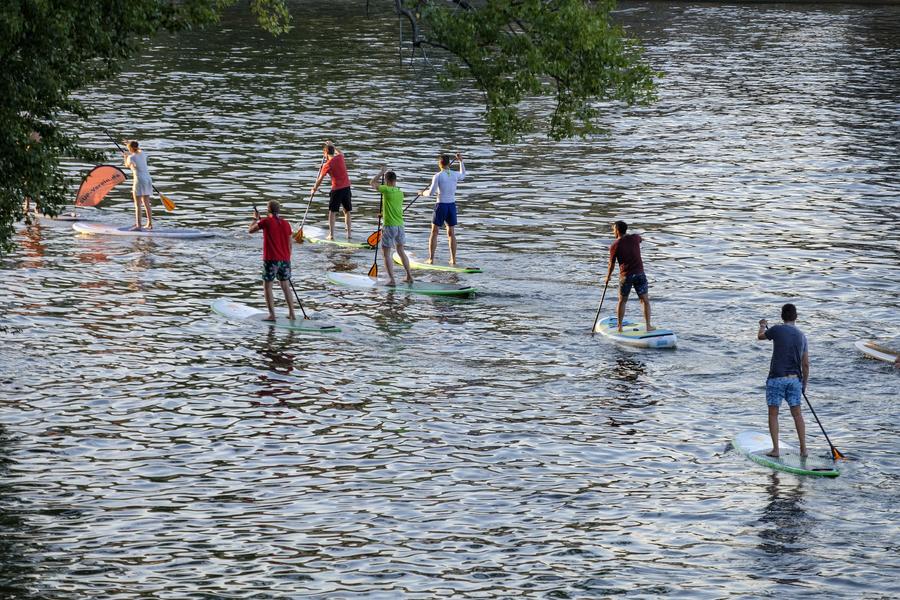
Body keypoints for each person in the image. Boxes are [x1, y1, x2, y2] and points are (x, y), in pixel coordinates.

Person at [757, 303, 809, 458]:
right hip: (794, 380)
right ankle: (804, 449)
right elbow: (805, 364)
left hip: (776, 378)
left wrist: (762, 325)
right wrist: (803, 384)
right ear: (796, 317)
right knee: (797, 414)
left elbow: (760, 337)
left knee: (773, 414)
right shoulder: (801, 336)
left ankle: (776, 450)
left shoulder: (776, 329)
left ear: (782, 316)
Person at [249, 200, 296, 321]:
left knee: (267, 287)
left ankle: (272, 315)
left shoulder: (266, 222)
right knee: (285, 286)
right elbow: (290, 244)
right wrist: (287, 258)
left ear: (268, 210)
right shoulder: (286, 224)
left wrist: (255, 219)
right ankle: (292, 314)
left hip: (271, 259)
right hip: (285, 259)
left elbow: (250, 230)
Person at [604, 220, 653, 333]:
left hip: (626, 276)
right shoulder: (635, 238)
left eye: (613, 230)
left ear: (617, 230)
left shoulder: (614, 245)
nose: (613, 232)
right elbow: (641, 239)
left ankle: (620, 327)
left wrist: (608, 277)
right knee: (645, 300)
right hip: (640, 274)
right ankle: (648, 326)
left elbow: (611, 264)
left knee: (622, 301)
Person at [370, 167, 413, 286]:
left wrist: (380, 172)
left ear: (387, 180)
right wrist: (383, 214)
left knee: (386, 253)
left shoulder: (386, 190)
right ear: (395, 180)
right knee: (401, 251)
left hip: (389, 226)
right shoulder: (400, 192)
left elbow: (372, 183)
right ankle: (409, 276)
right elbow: (393, 207)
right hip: (400, 226)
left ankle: (392, 280)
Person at [420, 152, 465, 265]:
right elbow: (463, 175)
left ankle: (431, 259)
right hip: (451, 206)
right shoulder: (454, 174)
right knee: (451, 233)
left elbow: (430, 193)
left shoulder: (438, 176)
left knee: (434, 232)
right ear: (449, 164)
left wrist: (422, 193)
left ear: (440, 164)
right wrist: (461, 161)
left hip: (441, 206)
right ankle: (453, 259)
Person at [310, 141, 352, 240]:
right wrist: (333, 145)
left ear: (325, 153)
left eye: (324, 154)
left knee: (332, 212)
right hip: (346, 188)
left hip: (337, 189)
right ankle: (349, 234)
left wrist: (314, 189)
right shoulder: (340, 157)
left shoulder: (327, 165)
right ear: (334, 151)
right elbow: (341, 153)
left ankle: (331, 235)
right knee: (347, 211)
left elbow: (320, 179)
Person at [123, 140, 153, 230]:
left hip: (139, 181)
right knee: (146, 203)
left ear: (130, 148)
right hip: (148, 179)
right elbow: (137, 152)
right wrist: (129, 144)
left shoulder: (131, 157)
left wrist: (125, 157)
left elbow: (127, 165)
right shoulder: (143, 153)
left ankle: (138, 225)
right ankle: (149, 224)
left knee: (137, 204)